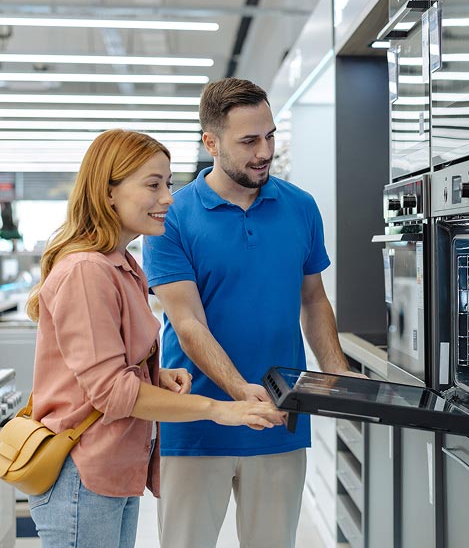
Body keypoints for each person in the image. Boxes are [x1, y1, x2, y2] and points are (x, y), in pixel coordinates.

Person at [24, 129, 283, 548]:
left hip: (112, 469)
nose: (167, 198)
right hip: (80, 475)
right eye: (153, 185)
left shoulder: (123, 265)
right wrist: (217, 409)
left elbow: (102, 367)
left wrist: (153, 374)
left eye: (169, 184)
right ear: (108, 192)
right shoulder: (87, 271)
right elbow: (111, 393)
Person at [142, 77, 354, 548]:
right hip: (197, 422)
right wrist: (241, 394)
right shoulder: (170, 217)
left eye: (271, 136)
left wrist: (340, 377)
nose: (265, 151)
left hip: (281, 418)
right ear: (211, 142)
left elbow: (313, 299)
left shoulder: (300, 207)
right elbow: (188, 322)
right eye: (249, 140)